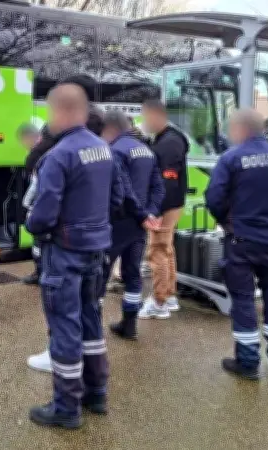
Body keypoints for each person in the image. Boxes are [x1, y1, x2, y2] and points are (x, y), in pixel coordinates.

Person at [25, 79, 125, 429]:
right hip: (96, 250)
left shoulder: (58, 155)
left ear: (61, 111)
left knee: (64, 325)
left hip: (63, 252)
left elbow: (44, 213)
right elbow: (117, 198)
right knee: (90, 318)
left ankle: (66, 407)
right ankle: (96, 394)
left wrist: (31, 225)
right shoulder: (104, 149)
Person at [204, 109, 268, 380]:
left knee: (243, 299)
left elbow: (214, 198)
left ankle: (248, 362)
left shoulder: (231, 158)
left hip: (241, 240)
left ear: (240, 129)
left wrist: (228, 222)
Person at [100, 110, 164, 340]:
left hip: (118, 221)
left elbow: (124, 189)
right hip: (139, 225)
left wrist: (141, 214)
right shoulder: (146, 150)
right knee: (132, 274)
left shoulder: (115, 150)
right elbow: (158, 187)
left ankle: (92, 328)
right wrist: (150, 213)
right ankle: (129, 325)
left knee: (100, 273)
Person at [139, 98, 188, 319]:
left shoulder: (169, 143)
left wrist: (155, 210)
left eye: (145, 116)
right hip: (170, 203)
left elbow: (168, 180)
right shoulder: (165, 138)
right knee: (166, 249)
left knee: (157, 250)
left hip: (166, 204)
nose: (143, 121)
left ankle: (159, 302)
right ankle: (168, 295)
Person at [21, 123, 51, 286]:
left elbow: (34, 185)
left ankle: (40, 273)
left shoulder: (38, 155)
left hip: (40, 207)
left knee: (38, 244)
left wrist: (26, 204)